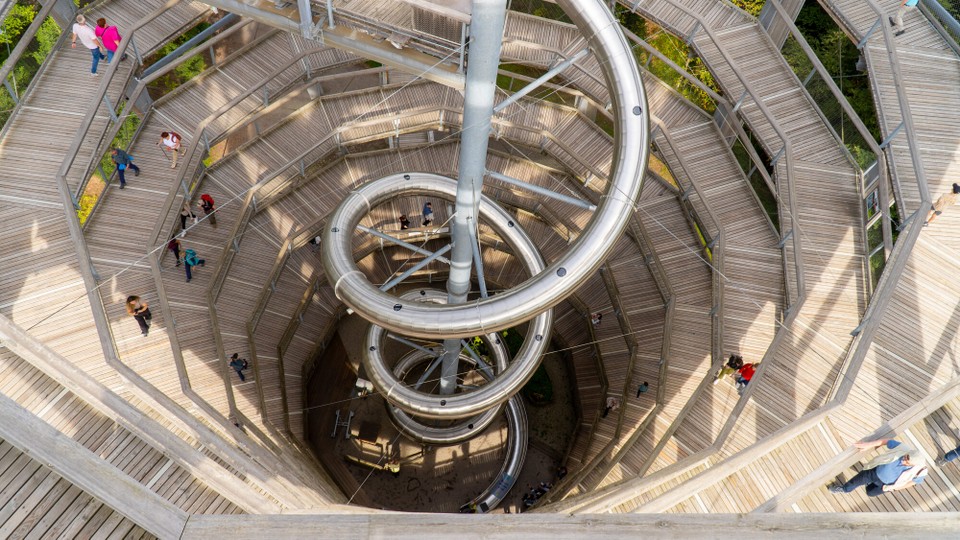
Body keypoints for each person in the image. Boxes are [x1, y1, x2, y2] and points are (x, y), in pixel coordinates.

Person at [829, 439, 928, 497]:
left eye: (907, 461)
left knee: (870, 493)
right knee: (854, 482)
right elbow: (887, 441)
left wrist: (897, 488)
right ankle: (844, 489)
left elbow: (914, 482)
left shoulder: (921, 471)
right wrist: (868, 445)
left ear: (914, 465)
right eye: (906, 456)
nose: (904, 459)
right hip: (874, 471)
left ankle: (869, 483)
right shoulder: (903, 448)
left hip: (886, 485)